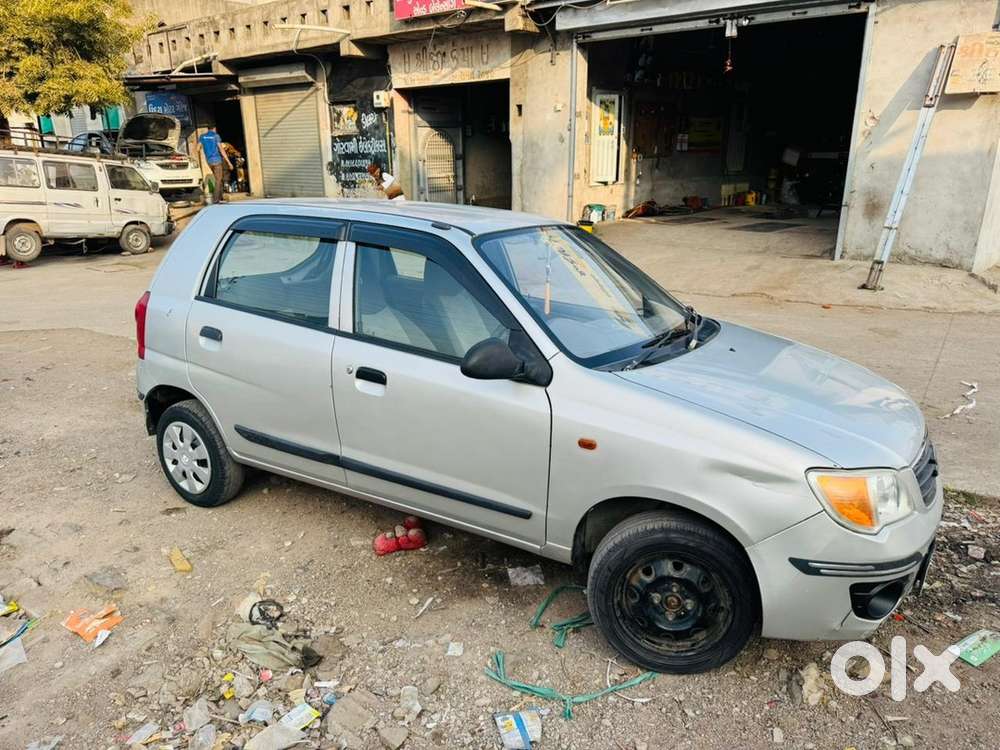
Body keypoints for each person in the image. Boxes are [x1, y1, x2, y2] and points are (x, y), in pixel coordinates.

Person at [197, 126, 232, 203]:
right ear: (214, 129)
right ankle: (216, 199)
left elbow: (197, 148)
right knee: (218, 180)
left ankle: (221, 197)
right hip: (217, 160)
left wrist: (206, 148)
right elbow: (221, 149)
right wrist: (229, 162)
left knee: (218, 178)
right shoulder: (216, 136)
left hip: (209, 161)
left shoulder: (202, 136)